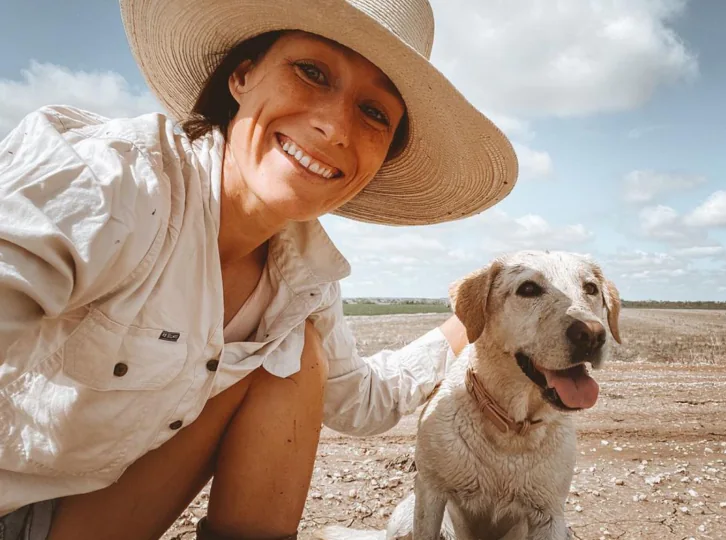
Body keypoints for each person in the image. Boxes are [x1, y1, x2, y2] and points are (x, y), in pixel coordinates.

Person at [0, 0, 518, 538]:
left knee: (294, 361)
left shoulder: (302, 282)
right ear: (242, 76)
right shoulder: (111, 179)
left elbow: (358, 401)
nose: (335, 127)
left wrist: (472, 318)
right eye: (312, 72)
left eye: (374, 112)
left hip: (79, 514)